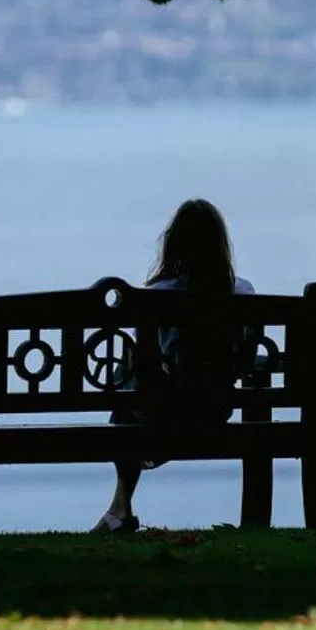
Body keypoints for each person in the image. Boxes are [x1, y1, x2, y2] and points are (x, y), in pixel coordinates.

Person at [93, 199, 258, 533]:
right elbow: (247, 359)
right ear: (220, 244)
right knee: (137, 388)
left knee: (127, 388)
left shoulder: (155, 295)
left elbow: (146, 364)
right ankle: (118, 509)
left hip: (165, 412)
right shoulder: (242, 291)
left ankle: (120, 509)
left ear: (173, 245)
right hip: (216, 409)